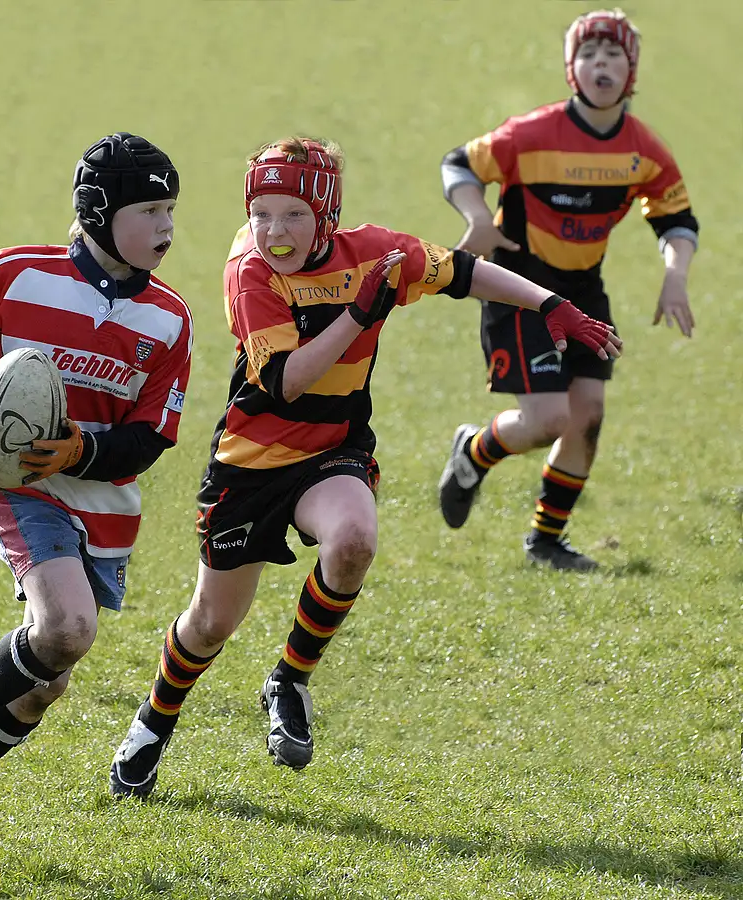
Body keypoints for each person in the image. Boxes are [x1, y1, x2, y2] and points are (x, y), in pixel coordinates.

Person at [108, 136, 621, 799]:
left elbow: (463, 272)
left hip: (333, 450)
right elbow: (287, 382)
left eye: (293, 215)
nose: (274, 231)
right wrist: (359, 314)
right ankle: (155, 721)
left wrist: (551, 305)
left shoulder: (373, 253)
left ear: (327, 215)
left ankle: (289, 679)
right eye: (261, 213)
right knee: (211, 623)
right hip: (250, 463)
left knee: (353, 541)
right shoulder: (250, 270)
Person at [0, 133, 193, 865]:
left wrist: (78, 452)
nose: (165, 227)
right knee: (66, 627)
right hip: (19, 487)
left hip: (103, 508)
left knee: (44, 685)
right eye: (148, 211)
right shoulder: (19, 274)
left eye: (170, 210)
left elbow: (151, 437)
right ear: (97, 212)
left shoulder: (169, 319)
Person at [437, 8, 698, 570]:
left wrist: (675, 275)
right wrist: (477, 217)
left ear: (631, 70)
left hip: (583, 288)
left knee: (588, 413)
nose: (601, 63)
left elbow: (676, 219)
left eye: (613, 54)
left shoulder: (643, 149)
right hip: (518, 284)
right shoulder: (531, 133)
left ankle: (545, 542)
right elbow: (458, 164)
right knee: (550, 419)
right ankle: (474, 451)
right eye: (588, 54)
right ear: (570, 69)